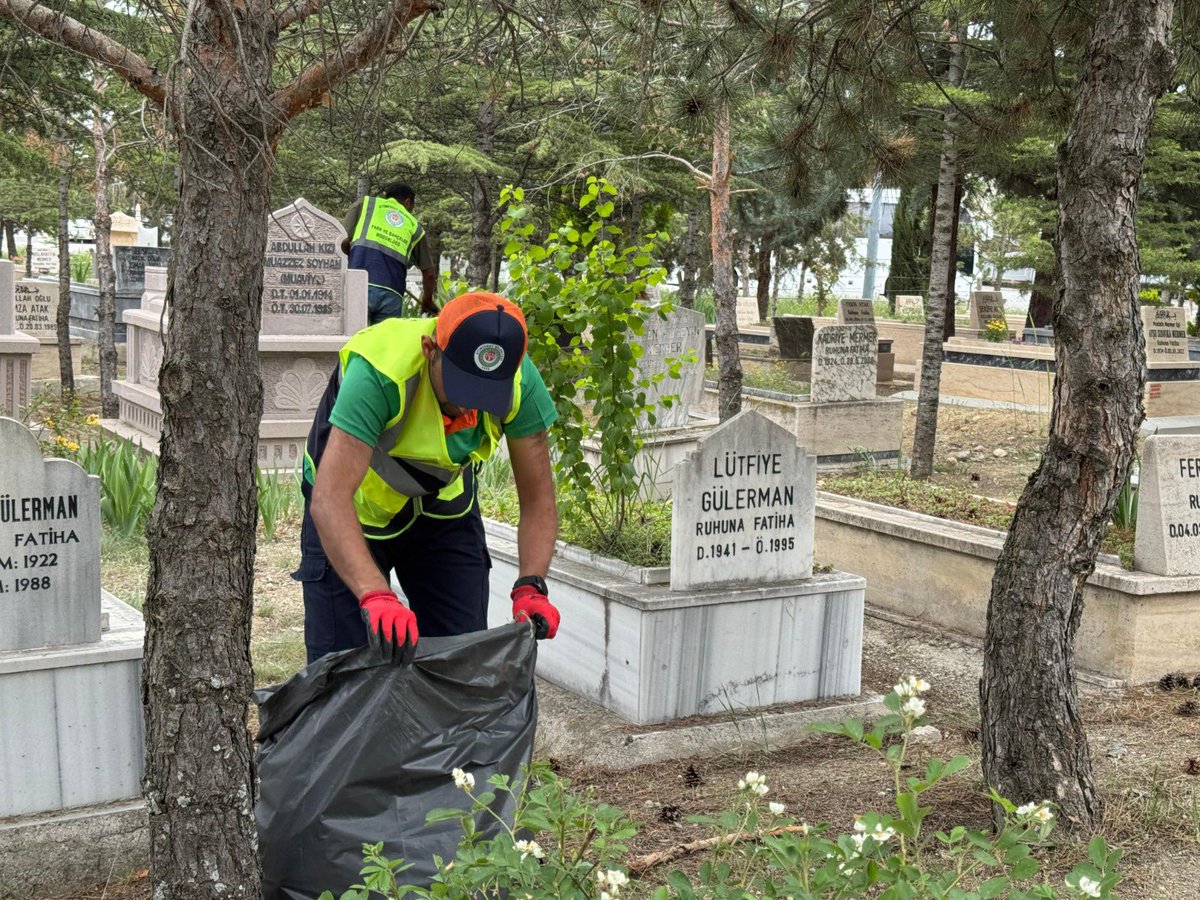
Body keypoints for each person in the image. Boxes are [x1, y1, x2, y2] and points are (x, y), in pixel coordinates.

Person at [296, 291, 561, 662]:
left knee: (460, 660)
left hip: (443, 512)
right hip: (353, 511)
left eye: (486, 393)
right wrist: (376, 594)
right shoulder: (379, 372)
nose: (469, 406)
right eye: (461, 385)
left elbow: (538, 501)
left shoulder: (519, 381)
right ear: (429, 350)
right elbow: (330, 499)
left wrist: (531, 585)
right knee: (344, 669)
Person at [341, 181, 439, 323]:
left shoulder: (366, 204)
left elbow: (341, 240)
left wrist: (354, 253)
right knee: (384, 337)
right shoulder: (415, 227)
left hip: (359, 285)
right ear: (407, 202)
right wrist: (427, 301)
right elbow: (429, 273)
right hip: (392, 293)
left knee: (355, 334)